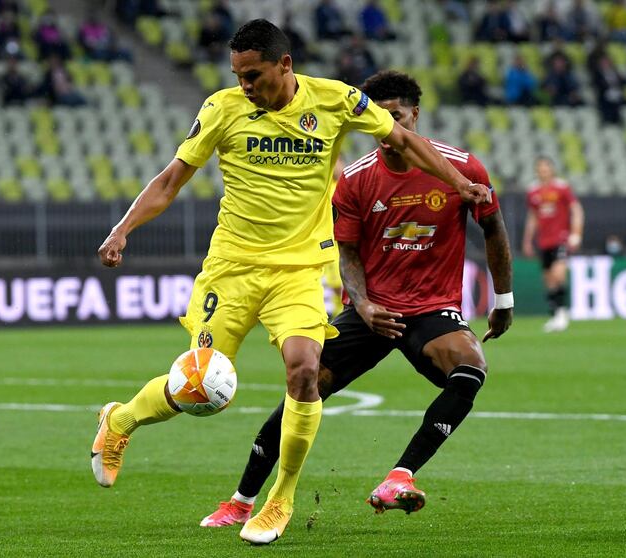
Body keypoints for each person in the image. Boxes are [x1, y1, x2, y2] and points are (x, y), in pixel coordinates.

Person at [90, 20, 491, 546]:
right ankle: (120, 420)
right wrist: (122, 230)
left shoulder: (336, 101)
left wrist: (460, 182)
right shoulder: (221, 109)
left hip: (299, 270)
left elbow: (402, 140)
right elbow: (170, 180)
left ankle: (280, 499)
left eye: (252, 74)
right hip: (232, 268)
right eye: (237, 75)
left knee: (305, 371)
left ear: (285, 64)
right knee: (201, 390)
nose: (244, 85)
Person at [199, 70, 513, 527]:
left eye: (398, 117)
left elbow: (494, 228)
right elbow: (347, 252)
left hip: (429, 308)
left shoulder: (461, 168)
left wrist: (502, 300)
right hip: (371, 311)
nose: (390, 130)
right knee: (304, 386)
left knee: (470, 368)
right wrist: (363, 304)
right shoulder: (356, 179)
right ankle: (241, 500)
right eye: (381, 119)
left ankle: (399, 477)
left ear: (415, 115)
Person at [522, 156, 583, 333]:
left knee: (558, 274)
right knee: (548, 279)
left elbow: (576, 209)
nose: (543, 171)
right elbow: (532, 217)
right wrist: (527, 240)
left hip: (560, 238)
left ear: (552, 169)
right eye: (540, 168)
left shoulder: (562, 187)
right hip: (544, 240)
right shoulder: (533, 192)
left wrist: (576, 233)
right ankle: (555, 314)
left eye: (546, 167)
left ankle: (562, 313)